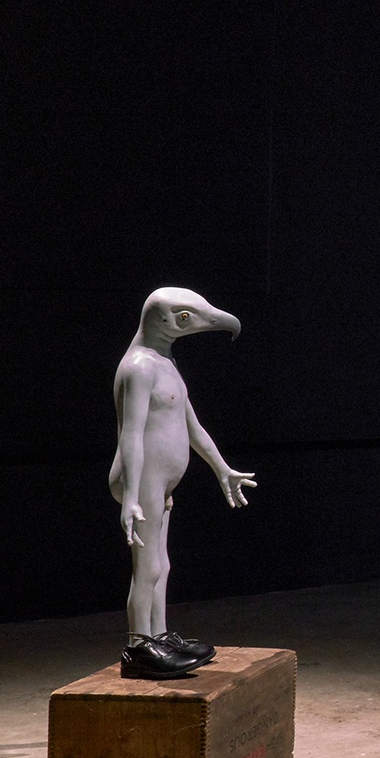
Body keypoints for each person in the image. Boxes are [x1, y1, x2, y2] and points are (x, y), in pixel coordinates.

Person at [110, 287, 259, 678]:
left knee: (163, 564)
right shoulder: (139, 367)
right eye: (186, 318)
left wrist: (222, 468)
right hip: (142, 479)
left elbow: (191, 425)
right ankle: (139, 647)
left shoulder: (164, 361)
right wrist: (131, 497)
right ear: (160, 319)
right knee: (148, 567)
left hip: (159, 483)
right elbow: (131, 434)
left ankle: (158, 637)